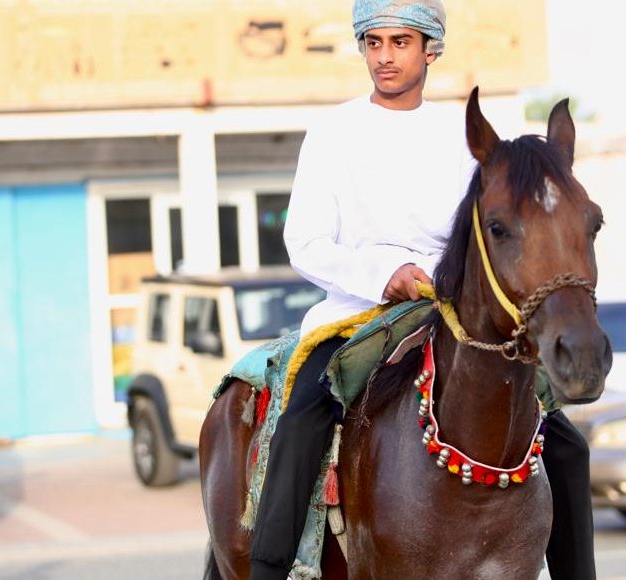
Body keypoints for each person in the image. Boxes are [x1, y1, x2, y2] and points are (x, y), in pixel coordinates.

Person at [249, 2, 596, 578]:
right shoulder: (332, 132)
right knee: (304, 416)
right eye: (374, 42)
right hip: (355, 312)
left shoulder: (465, 139)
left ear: (431, 49)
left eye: (400, 42)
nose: (384, 57)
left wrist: (438, 279)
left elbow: (483, 238)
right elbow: (304, 242)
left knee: (564, 442)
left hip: (447, 312)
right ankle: (268, 570)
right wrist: (382, 276)